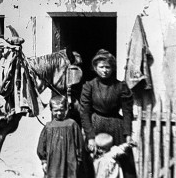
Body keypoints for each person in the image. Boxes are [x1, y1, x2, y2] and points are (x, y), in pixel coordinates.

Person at [80, 49, 136, 178]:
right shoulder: (89, 86)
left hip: (116, 126)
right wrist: (90, 136)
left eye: (108, 67)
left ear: (112, 68)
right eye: (101, 67)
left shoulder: (120, 86)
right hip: (96, 125)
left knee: (122, 162)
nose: (105, 70)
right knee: (93, 163)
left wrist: (127, 134)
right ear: (95, 68)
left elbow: (127, 112)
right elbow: (84, 112)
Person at [37, 95, 84, 178]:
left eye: (61, 110)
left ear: (66, 109)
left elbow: (79, 144)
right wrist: (44, 161)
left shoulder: (72, 124)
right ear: (51, 110)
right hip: (53, 164)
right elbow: (41, 146)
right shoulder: (49, 127)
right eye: (56, 111)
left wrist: (78, 160)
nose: (59, 113)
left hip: (70, 163)